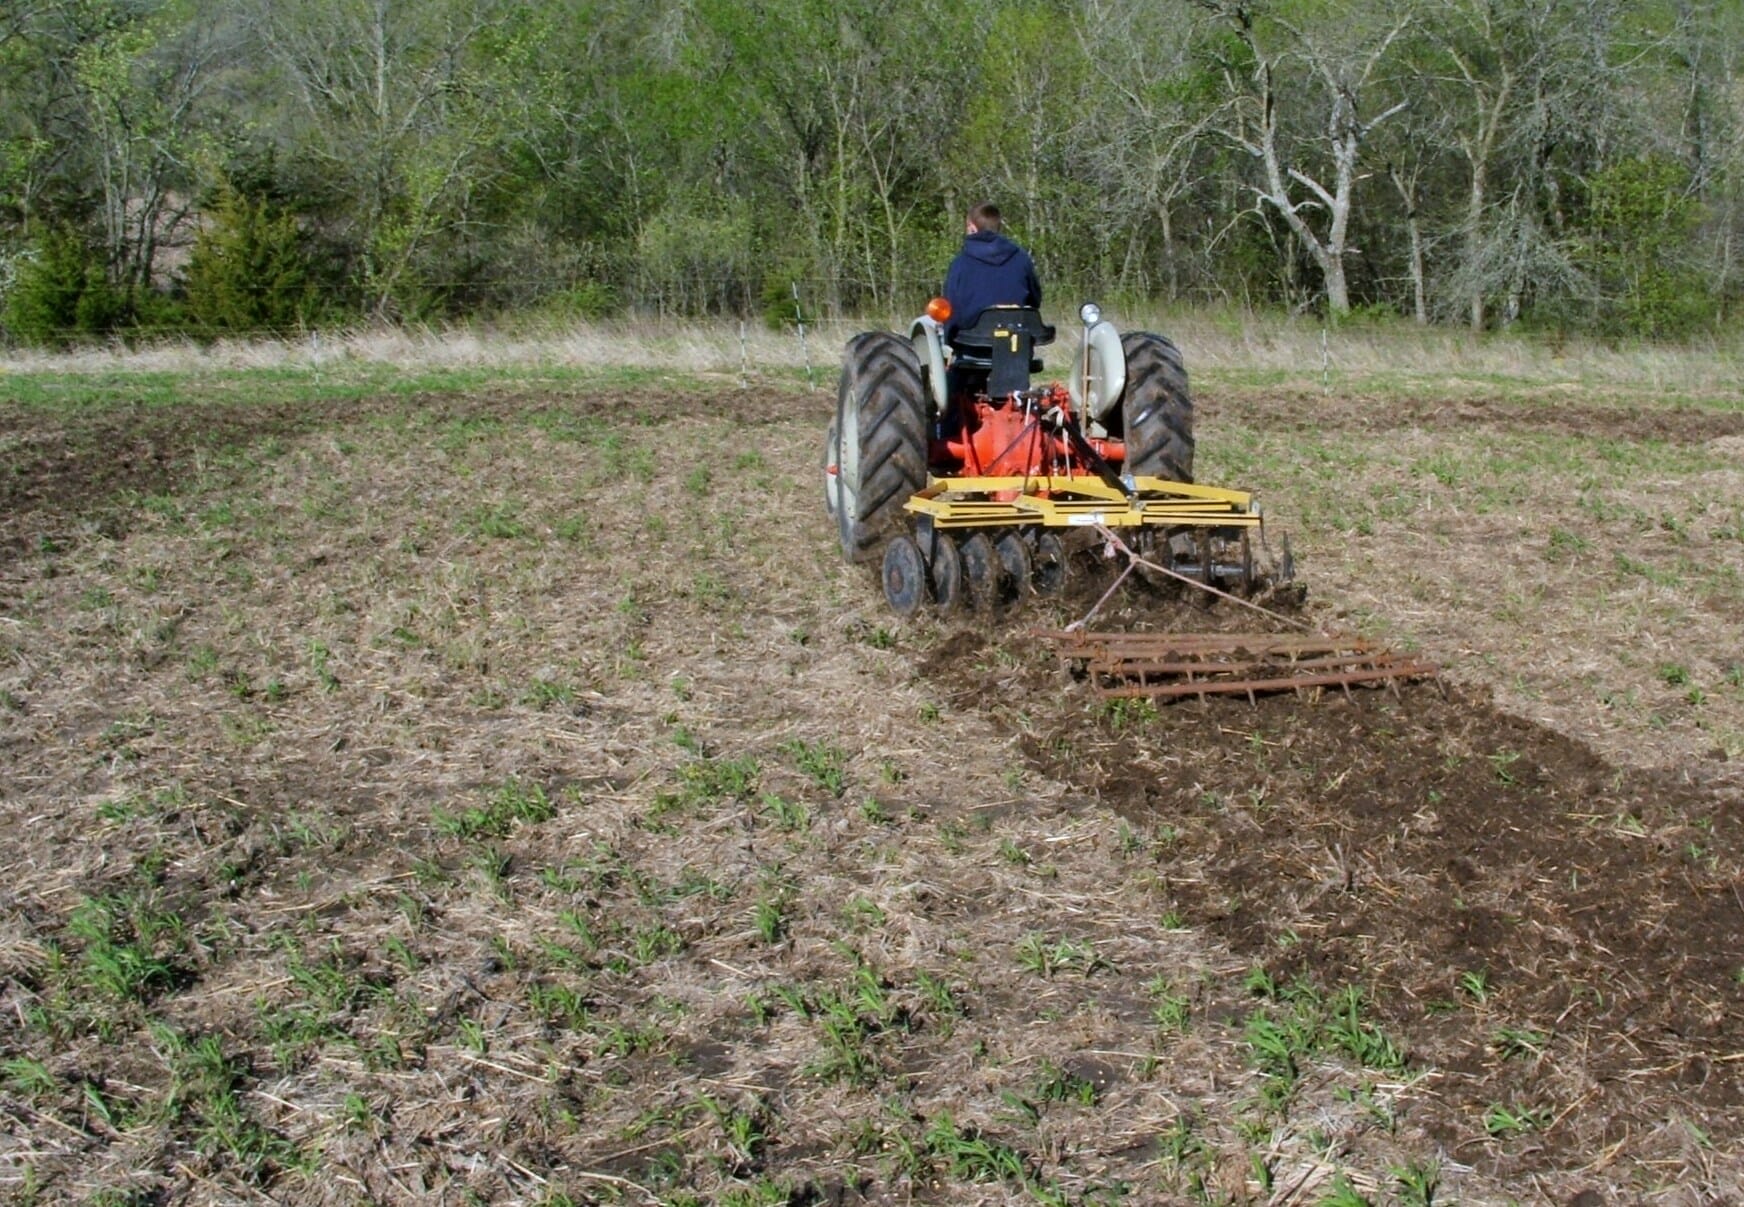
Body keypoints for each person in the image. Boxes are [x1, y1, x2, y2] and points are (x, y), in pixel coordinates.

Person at [942, 202, 1041, 345]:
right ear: (998, 227)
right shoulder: (1021, 258)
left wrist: (949, 339)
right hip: (1015, 343)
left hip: (971, 342)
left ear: (972, 228)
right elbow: (1035, 300)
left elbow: (951, 309)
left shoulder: (960, 263)